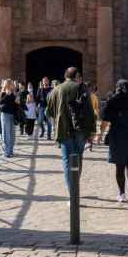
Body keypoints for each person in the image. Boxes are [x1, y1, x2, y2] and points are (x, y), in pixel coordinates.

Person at [47, 67, 96, 195]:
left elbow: (49, 111)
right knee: (78, 158)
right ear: (76, 76)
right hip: (80, 130)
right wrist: (92, 131)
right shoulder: (82, 88)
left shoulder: (56, 90)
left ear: (65, 76)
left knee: (67, 161)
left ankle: (72, 193)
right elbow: (90, 112)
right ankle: (75, 188)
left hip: (63, 130)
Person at [100, 80, 128, 203]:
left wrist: (100, 134)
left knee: (119, 165)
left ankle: (121, 193)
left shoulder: (112, 102)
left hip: (117, 136)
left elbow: (104, 122)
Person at [0, 79, 19, 158]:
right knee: (6, 133)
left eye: (11, 84)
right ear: (6, 85)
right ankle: (6, 152)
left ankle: (11, 151)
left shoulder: (14, 94)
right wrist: (6, 95)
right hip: (5, 114)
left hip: (12, 115)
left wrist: (17, 102)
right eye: (9, 84)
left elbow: (15, 105)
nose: (11, 85)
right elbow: (0, 103)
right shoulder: (2, 93)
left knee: (12, 134)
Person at [84, 82, 100, 152]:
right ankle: (90, 145)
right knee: (92, 131)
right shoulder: (94, 96)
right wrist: (97, 115)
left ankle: (87, 143)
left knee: (86, 130)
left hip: (85, 116)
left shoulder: (83, 96)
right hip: (93, 115)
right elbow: (96, 107)